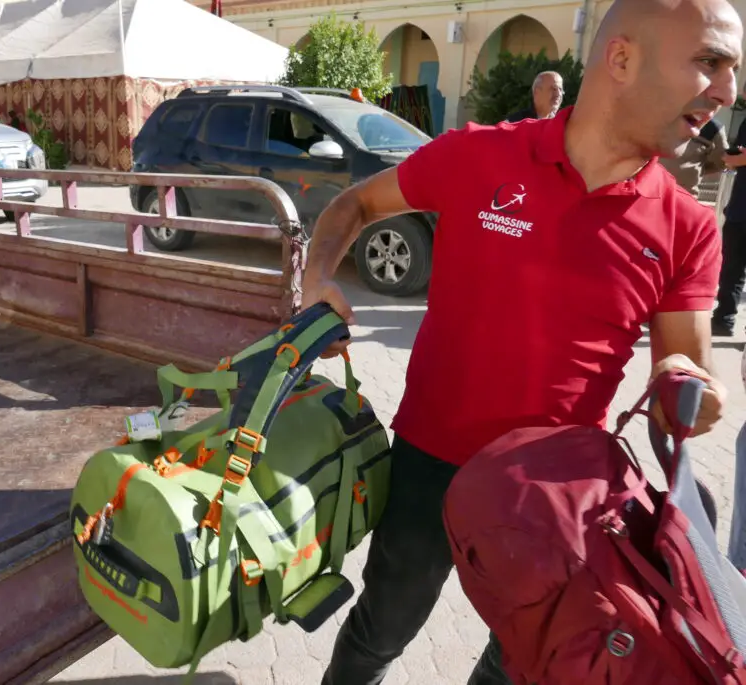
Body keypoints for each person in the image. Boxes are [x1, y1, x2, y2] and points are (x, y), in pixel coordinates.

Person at [302, 0, 741, 682]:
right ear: (621, 59)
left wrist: (686, 386)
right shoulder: (480, 155)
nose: (727, 91)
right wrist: (317, 283)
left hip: (557, 500)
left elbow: (678, 372)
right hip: (429, 465)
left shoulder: (690, 227)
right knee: (380, 629)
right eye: (709, 62)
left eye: (732, 70)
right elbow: (352, 205)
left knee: (524, 665)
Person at [712, 122, 746, 336]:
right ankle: (724, 320)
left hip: (740, 210)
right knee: (731, 269)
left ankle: (724, 319)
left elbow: (737, 158)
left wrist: (733, 159)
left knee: (732, 269)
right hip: (739, 209)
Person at [659, 118, 729, 197]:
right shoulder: (660, 117)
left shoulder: (713, 128)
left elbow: (723, 162)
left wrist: (700, 169)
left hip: (684, 196)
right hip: (651, 192)